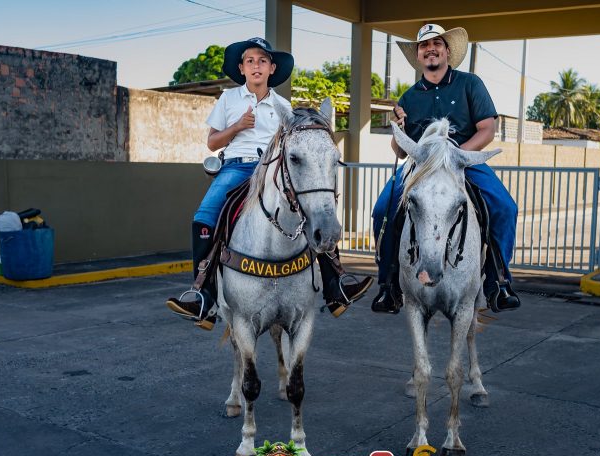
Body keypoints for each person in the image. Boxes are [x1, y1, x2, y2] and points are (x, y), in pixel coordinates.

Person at [166, 37, 371, 329]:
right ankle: (203, 295)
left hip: (274, 169)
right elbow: (212, 142)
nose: (256, 66)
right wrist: (237, 127)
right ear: (242, 68)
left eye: (262, 61)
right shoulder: (229, 99)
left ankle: (335, 283)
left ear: (272, 68)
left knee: (313, 207)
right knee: (205, 216)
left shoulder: (283, 105)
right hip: (237, 167)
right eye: (250, 61)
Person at [370, 24, 520, 314]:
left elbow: (488, 129)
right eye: (424, 45)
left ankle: (498, 283)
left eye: (437, 43)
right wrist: (398, 129)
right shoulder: (408, 97)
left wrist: (457, 155)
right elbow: (400, 151)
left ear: (447, 50)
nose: (431, 49)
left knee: (505, 208)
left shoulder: (470, 84)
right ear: (418, 55)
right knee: (382, 211)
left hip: (462, 160)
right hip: (419, 167)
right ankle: (388, 286)